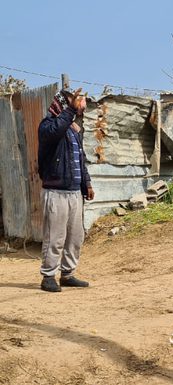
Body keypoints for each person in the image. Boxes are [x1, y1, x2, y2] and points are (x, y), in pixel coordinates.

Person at [37, 88, 94, 292]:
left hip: (74, 192)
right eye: (70, 103)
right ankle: (48, 276)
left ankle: (68, 274)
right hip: (55, 192)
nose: (75, 105)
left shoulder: (73, 130)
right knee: (55, 237)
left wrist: (86, 183)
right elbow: (56, 130)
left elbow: (81, 158)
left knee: (75, 236)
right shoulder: (47, 126)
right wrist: (70, 110)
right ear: (61, 104)